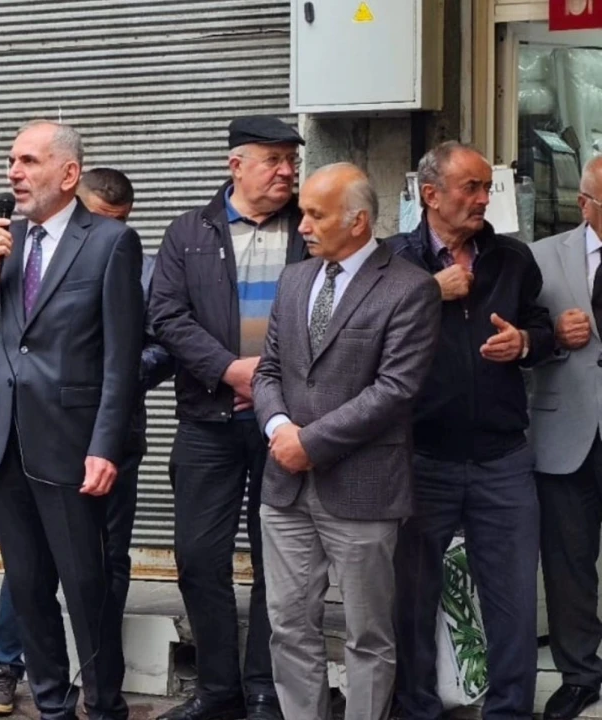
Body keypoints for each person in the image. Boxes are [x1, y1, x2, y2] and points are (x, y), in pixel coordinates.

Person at [0, 120, 143, 720]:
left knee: (87, 588)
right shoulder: (6, 240)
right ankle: (53, 705)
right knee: (28, 589)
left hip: (72, 446)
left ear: (68, 174)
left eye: (29, 161)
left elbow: (121, 359)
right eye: (11, 160)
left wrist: (105, 446)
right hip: (6, 443)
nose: (14, 172)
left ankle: (105, 706)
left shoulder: (110, 242)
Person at [253, 162, 441, 720]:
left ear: (358, 221)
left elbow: (395, 390)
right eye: (302, 213)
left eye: (316, 215)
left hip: (364, 489)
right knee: (289, 625)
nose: (302, 226)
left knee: (368, 634)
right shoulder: (294, 280)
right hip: (285, 487)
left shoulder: (409, 288)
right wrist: (278, 428)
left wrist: (310, 442)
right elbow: (268, 370)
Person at [386, 141, 554, 720]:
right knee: (413, 600)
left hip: (501, 459)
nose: (484, 198)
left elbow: (541, 328)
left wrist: (526, 342)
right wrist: (431, 291)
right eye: (471, 187)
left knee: (513, 601)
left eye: (487, 187)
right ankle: (417, 709)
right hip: (420, 459)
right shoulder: (392, 261)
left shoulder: (513, 259)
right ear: (431, 195)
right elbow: (365, 332)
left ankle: (510, 711)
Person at [148, 115, 307, 720]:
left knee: (279, 560)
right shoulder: (189, 231)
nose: (287, 171)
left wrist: (271, 385)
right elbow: (166, 315)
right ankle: (217, 690)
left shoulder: (309, 228)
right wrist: (229, 369)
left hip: (286, 425)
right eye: (274, 159)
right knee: (198, 557)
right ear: (235, 165)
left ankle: (264, 687)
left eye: (292, 160)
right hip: (207, 420)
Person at [529, 154, 602, 720]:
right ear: (584, 204)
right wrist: (552, 336)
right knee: (568, 562)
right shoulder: (540, 257)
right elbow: (517, 342)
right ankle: (579, 674)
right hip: (566, 432)